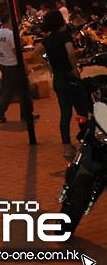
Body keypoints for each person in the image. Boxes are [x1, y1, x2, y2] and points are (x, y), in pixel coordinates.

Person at [30, 10, 88, 158]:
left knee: (65, 113)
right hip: (71, 78)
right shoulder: (65, 36)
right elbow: (71, 53)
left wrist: (48, 64)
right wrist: (75, 69)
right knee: (81, 112)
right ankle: (85, 143)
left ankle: (67, 147)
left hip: (58, 80)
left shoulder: (47, 39)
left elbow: (35, 54)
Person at [0, 13, 32, 125]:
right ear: (9, 21)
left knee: (8, 90)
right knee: (24, 90)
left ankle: (0, 110)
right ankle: (26, 114)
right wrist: (25, 66)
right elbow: (16, 52)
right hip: (14, 65)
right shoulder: (11, 34)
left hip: (4, 65)